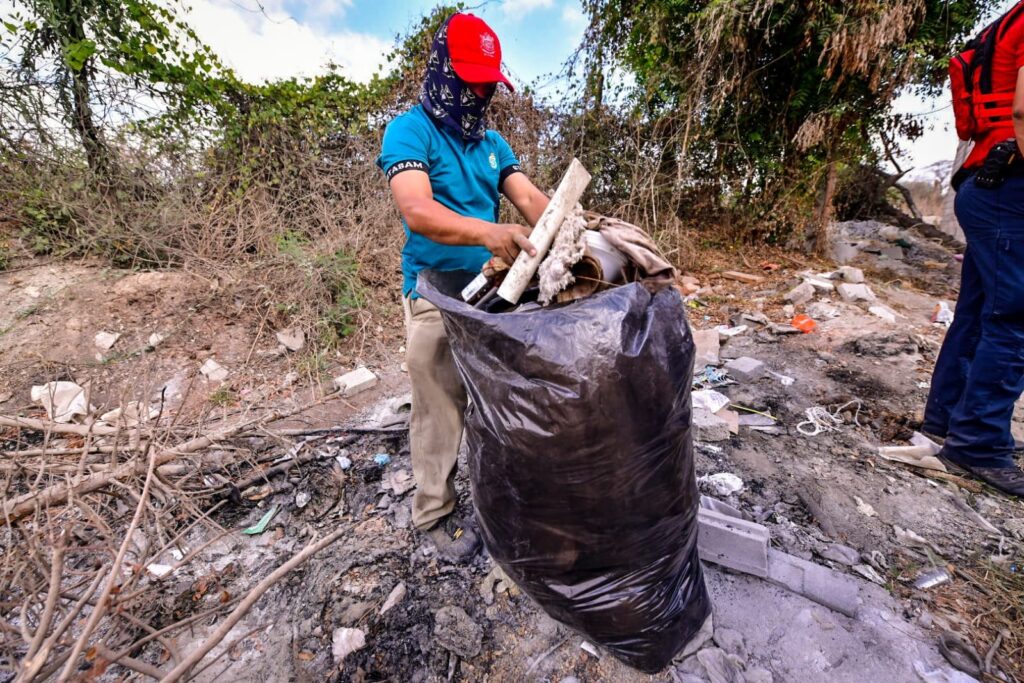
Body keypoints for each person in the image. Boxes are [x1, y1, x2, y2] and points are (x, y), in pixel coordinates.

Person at [377, 13, 551, 560]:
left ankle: (505, 497)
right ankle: (434, 511)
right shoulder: (410, 131)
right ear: (443, 70)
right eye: (470, 79)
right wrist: (489, 232)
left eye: (487, 82)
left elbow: (530, 201)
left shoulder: (493, 144)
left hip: (491, 290)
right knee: (440, 403)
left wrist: (578, 230)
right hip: (434, 294)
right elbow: (418, 210)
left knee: (505, 397)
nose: (478, 92)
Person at [925, 1, 1024, 497]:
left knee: (982, 311)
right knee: (1014, 318)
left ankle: (945, 423)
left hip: (986, 180)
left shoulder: (1007, 23)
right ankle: (979, 443)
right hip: (1011, 183)